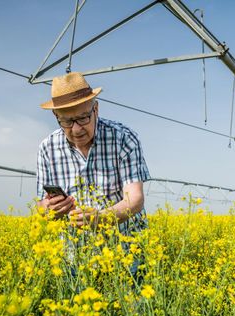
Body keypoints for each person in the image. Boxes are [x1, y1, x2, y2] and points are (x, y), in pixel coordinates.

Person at [36, 72, 150, 233]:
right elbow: (41, 205)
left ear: (95, 109)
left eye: (83, 118)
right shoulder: (47, 148)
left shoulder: (123, 138)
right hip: (75, 253)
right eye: (67, 121)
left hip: (125, 249)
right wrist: (49, 208)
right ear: (56, 116)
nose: (76, 129)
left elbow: (135, 199)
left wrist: (101, 218)